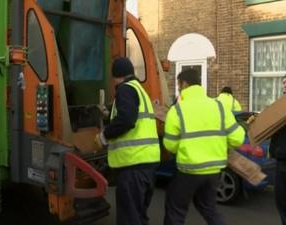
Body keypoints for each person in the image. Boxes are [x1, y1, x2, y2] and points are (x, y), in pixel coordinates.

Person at [163, 69, 245, 225]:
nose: (179, 90)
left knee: (175, 209)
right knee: (209, 208)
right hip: (214, 171)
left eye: (179, 86)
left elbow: (170, 145)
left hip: (189, 170)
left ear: (184, 84)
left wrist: (186, 146)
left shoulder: (177, 110)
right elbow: (238, 138)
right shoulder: (219, 107)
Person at [95, 57, 160, 225]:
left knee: (129, 219)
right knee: (138, 216)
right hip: (146, 165)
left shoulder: (125, 89)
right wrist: (109, 115)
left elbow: (126, 120)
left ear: (116, 76)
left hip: (133, 167)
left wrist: (104, 136)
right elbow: (133, 117)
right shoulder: (139, 89)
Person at [269, 74, 286, 225]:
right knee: (281, 203)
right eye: (284, 81)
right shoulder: (281, 107)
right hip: (280, 161)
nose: (284, 84)